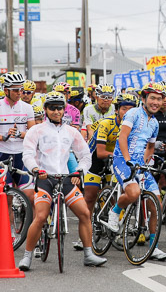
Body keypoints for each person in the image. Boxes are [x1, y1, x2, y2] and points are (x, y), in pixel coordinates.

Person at [19, 92, 107, 271]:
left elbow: (85, 156)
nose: (56, 111)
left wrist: (79, 171)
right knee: (41, 216)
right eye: (52, 108)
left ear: (64, 109)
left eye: (60, 108)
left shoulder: (71, 132)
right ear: (45, 109)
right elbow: (27, 155)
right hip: (45, 179)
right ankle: (27, 256)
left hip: (66, 179)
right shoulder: (36, 130)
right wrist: (36, 169)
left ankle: (89, 254)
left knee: (84, 213)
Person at [108, 82, 166, 261]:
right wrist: (127, 159)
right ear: (144, 99)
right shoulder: (133, 113)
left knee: (156, 206)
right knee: (134, 193)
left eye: (159, 99)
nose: (156, 102)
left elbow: (150, 146)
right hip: (122, 159)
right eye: (152, 98)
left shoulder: (155, 123)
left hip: (140, 165)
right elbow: (123, 137)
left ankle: (153, 247)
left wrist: (145, 162)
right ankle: (115, 211)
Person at [0, 72, 36, 199]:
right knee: (6, 198)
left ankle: (25, 218)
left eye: (21, 89)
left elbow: (33, 133)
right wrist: (2, 137)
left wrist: (20, 134)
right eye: (15, 90)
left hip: (22, 155)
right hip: (3, 155)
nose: (19, 92)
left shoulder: (27, 108)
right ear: (6, 90)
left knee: (30, 197)